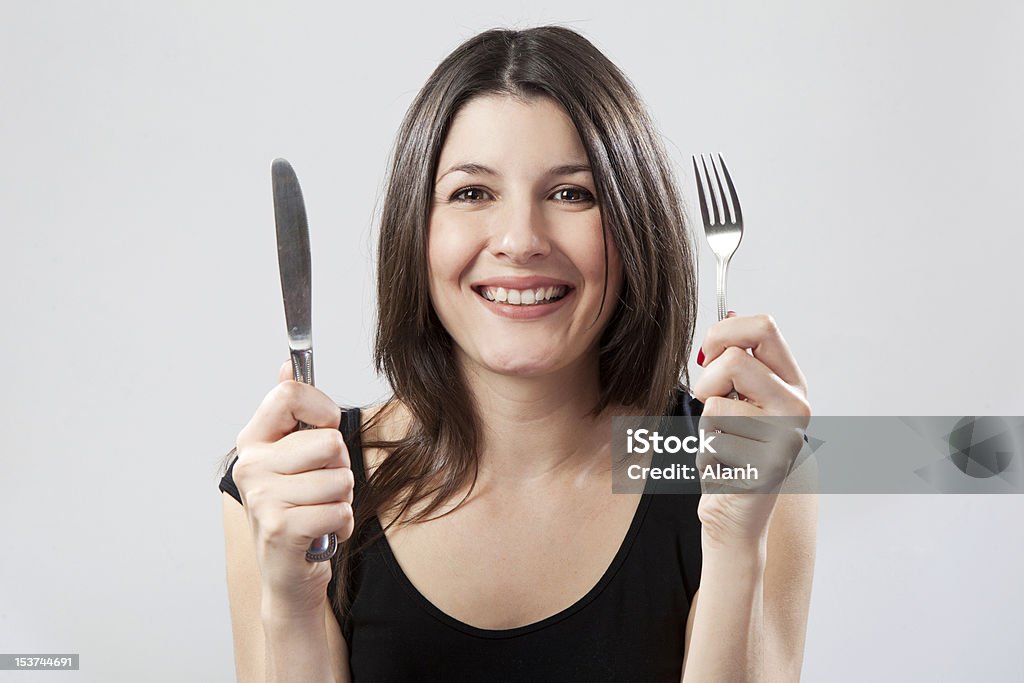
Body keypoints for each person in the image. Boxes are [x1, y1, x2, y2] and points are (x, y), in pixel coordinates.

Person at [219, 25, 816, 682]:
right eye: (472, 192)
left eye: (571, 193)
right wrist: (293, 599)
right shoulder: (292, 491)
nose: (520, 239)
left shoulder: (753, 462)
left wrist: (735, 538)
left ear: (633, 224)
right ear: (416, 234)